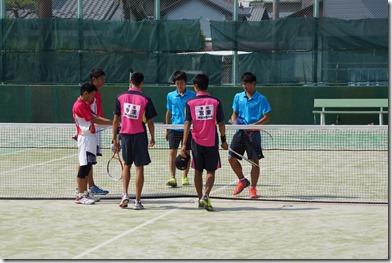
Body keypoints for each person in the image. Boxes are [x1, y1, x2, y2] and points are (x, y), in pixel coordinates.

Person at [180, 73, 228, 211]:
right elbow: (221, 123)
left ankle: (200, 198)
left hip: (196, 142)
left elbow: (187, 124)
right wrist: (224, 140)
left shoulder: (190, 103)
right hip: (212, 142)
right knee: (211, 171)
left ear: (195, 86)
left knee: (197, 171)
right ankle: (206, 195)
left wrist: (184, 145)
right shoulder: (216, 102)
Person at [112, 71, 157, 210]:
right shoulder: (145, 99)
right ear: (142, 83)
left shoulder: (120, 97)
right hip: (139, 136)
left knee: (127, 164)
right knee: (139, 168)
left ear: (130, 81)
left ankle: (125, 194)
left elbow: (115, 120)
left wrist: (114, 139)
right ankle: (137, 201)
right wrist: (152, 137)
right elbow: (150, 122)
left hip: (125, 136)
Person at [228, 72, 271, 199]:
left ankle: (253, 188)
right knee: (231, 158)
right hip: (240, 133)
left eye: (246, 84)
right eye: (243, 84)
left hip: (254, 134)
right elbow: (234, 113)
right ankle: (242, 180)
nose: (244, 86)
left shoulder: (261, 99)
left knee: (255, 162)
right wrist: (236, 123)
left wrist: (254, 125)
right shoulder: (238, 97)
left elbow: (267, 116)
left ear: (253, 83)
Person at [72, 83, 112, 205]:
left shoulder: (85, 104)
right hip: (85, 139)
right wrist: (114, 122)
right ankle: (80, 196)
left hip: (90, 138)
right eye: (92, 95)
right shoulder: (79, 105)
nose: (93, 98)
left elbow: (95, 117)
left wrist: (113, 123)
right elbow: (94, 119)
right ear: (85, 93)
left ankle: (85, 193)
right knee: (83, 167)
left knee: (88, 166)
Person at [165, 70, 196, 187]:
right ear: (174, 83)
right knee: (172, 152)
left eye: (181, 82)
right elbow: (168, 112)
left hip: (188, 129)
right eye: (177, 83)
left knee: (186, 153)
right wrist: (167, 129)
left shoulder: (192, 95)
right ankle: (172, 177)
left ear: (185, 83)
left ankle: (185, 176)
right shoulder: (170, 96)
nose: (179, 85)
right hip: (174, 128)